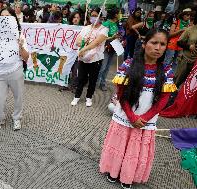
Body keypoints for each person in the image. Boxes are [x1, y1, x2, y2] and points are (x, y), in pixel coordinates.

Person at [99, 29, 177, 189]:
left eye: (162, 44)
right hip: (125, 115)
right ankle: (113, 170)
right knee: (120, 145)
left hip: (146, 120)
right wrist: (131, 116)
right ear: (144, 44)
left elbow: (164, 98)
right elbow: (121, 93)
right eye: (154, 42)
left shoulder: (167, 70)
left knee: (135, 150)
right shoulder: (128, 64)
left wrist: (146, 117)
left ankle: (129, 174)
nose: (158, 47)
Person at [0, 7, 29, 131]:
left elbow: (26, 57)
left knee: (18, 97)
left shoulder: (19, 34)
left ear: (13, 19)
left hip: (15, 70)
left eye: (7, 17)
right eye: (1, 17)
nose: (4, 20)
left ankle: (17, 118)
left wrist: (20, 46)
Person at [70, 8, 108, 107]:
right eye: (92, 15)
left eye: (96, 15)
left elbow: (96, 43)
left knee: (93, 79)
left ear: (100, 17)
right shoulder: (86, 28)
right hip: (83, 58)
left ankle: (89, 97)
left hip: (96, 59)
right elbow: (78, 41)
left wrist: (83, 49)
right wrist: (83, 42)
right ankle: (77, 96)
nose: (93, 17)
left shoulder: (104, 29)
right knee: (81, 78)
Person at [174, 11, 197, 88]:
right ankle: (168, 97)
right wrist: (188, 46)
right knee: (177, 81)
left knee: (190, 84)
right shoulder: (190, 29)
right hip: (185, 59)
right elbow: (179, 42)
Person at [97, 7, 120, 91]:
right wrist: (111, 37)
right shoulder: (106, 24)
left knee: (107, 68)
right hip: (105, 48)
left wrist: (117, 38)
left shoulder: (115, 24)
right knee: (102, 67)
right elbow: (100, 38)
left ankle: (102, 83)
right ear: (115, 14)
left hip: (113, 48)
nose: (119, 15)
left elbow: (114, 35)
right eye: (118, 13)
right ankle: (95, 83)